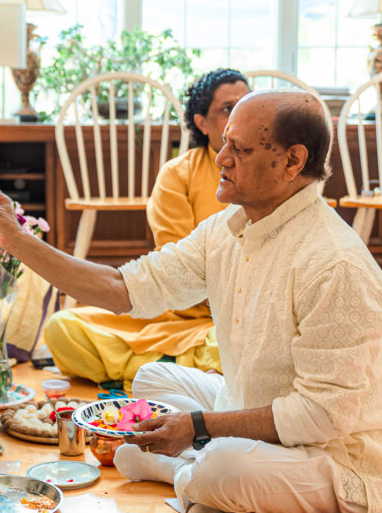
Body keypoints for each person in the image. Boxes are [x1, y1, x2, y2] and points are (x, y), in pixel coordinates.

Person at [0, 90, 382, 513]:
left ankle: (194, 477)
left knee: (225, 467)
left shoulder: (335, 264)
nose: (221, 158)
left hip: (337, 458)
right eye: (224, 142)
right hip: (252, 414)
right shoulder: (226, 229)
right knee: (149, 380)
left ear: (292, 162)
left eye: (239, 150)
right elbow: (124, 289)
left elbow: (320, 417)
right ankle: (202, 477)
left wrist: (199, 427)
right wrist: (16, 239)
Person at [41, 69, 250, 392]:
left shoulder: (268, 173)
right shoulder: (178, 174)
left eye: (245, 105)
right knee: (62, 328)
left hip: (238, 317)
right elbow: (180, 270)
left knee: (248, 341)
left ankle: (153, 374)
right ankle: (186, 374)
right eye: (227, 110)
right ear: (202, 123)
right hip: (179, 314)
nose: (238, 117)